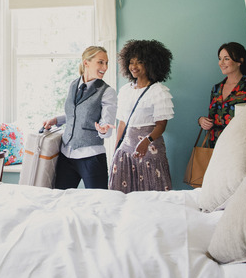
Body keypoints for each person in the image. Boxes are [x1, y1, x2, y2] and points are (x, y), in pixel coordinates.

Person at [42, 46, 117, 189]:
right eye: (101, 62)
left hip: (91, 157)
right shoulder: (73, 85)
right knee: (61, 198)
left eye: (106, 63)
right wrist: (56, 120)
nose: (105, 67)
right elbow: (75, 114)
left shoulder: (107, 92)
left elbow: (107, 127)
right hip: (66, 155)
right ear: (86, 63)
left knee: (98, 202)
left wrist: (103, 129)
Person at [109, 39, 174, 193]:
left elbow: (161, 125)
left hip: (150, 152)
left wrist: (146, 141)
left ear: (150, 63)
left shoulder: (159, 91)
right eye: (131, 62)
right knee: (121, 197)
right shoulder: (125, 90)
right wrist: (116, 149)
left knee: (152, 197)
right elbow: (122, 124)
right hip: (125, 153)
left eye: (139, 62)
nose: (134, 66)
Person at [197, 42, 246, 147]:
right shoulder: (216, 88)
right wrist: (201, 121)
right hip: (214, 147)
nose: (221, 62)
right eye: (220, 58)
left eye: (226, 58)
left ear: (240, 61)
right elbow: (212, 117)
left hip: (237, 147)